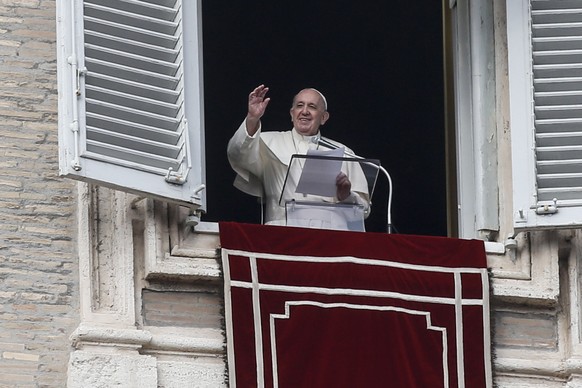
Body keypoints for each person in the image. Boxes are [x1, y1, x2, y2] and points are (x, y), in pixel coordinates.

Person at [227, 84, 370, 226]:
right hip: (284, 231)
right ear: (292, 113)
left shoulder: (344, 152)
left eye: (312, 107)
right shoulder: (268, 142)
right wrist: (252, 118)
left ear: (324, 118)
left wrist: (346, 196)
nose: (305, 111)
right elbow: (237, 153)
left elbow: (364, 210)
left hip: (331, 234)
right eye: (300, 105)